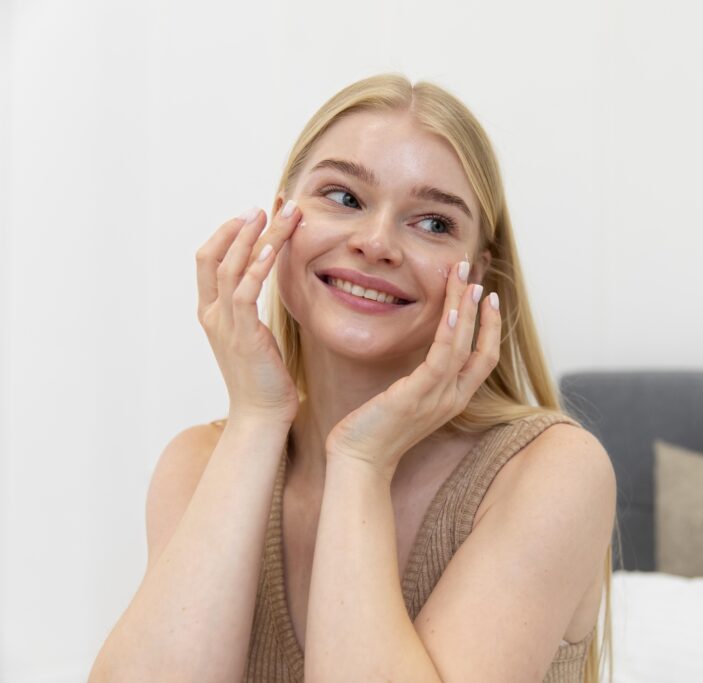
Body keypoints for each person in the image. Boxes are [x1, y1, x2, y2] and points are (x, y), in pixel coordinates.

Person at [89, 73, 618, 683]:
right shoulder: (197, 463)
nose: (376, 243)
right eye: (343, 197)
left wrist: (362, 461)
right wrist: (256, 420)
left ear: (477, 275)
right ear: (280, 221)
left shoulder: (551, 473)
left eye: (434, 224)